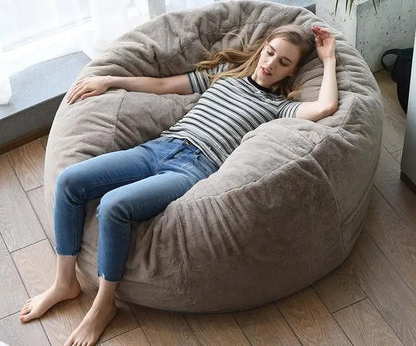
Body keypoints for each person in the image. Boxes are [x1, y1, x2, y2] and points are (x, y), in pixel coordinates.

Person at [20, 24, 337, 346]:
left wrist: (328, 60)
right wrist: (110, 80)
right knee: (69, 181)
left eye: (284, 62)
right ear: (262, 47)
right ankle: (64, 283)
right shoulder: (225, 74)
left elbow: (325, 108)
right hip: (158, 148)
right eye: (270, 53)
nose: (270, 64)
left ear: (292, 71)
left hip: (194, 168)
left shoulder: (279, 107)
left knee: (114, 206)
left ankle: (104, 304)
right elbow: (163, 85)